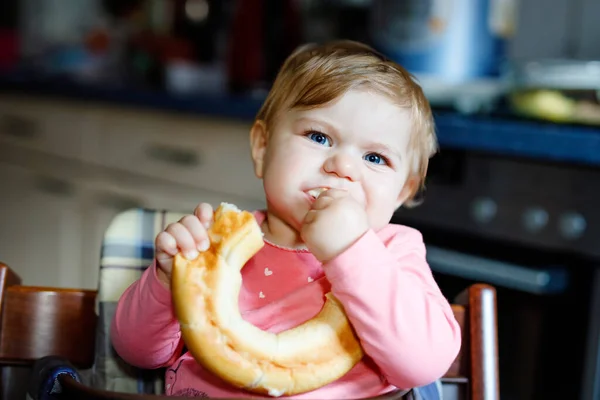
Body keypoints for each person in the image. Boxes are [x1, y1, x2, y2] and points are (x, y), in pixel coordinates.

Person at [110, 40, 462, 399]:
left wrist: (350, 249)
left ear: (402, 191)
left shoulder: (391, 252)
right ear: (263, 148)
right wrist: (167, 282)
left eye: (375, 158)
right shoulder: (215, 242)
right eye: (319, 137)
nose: (342, 167)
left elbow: (422, 364)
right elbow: (137, 353)